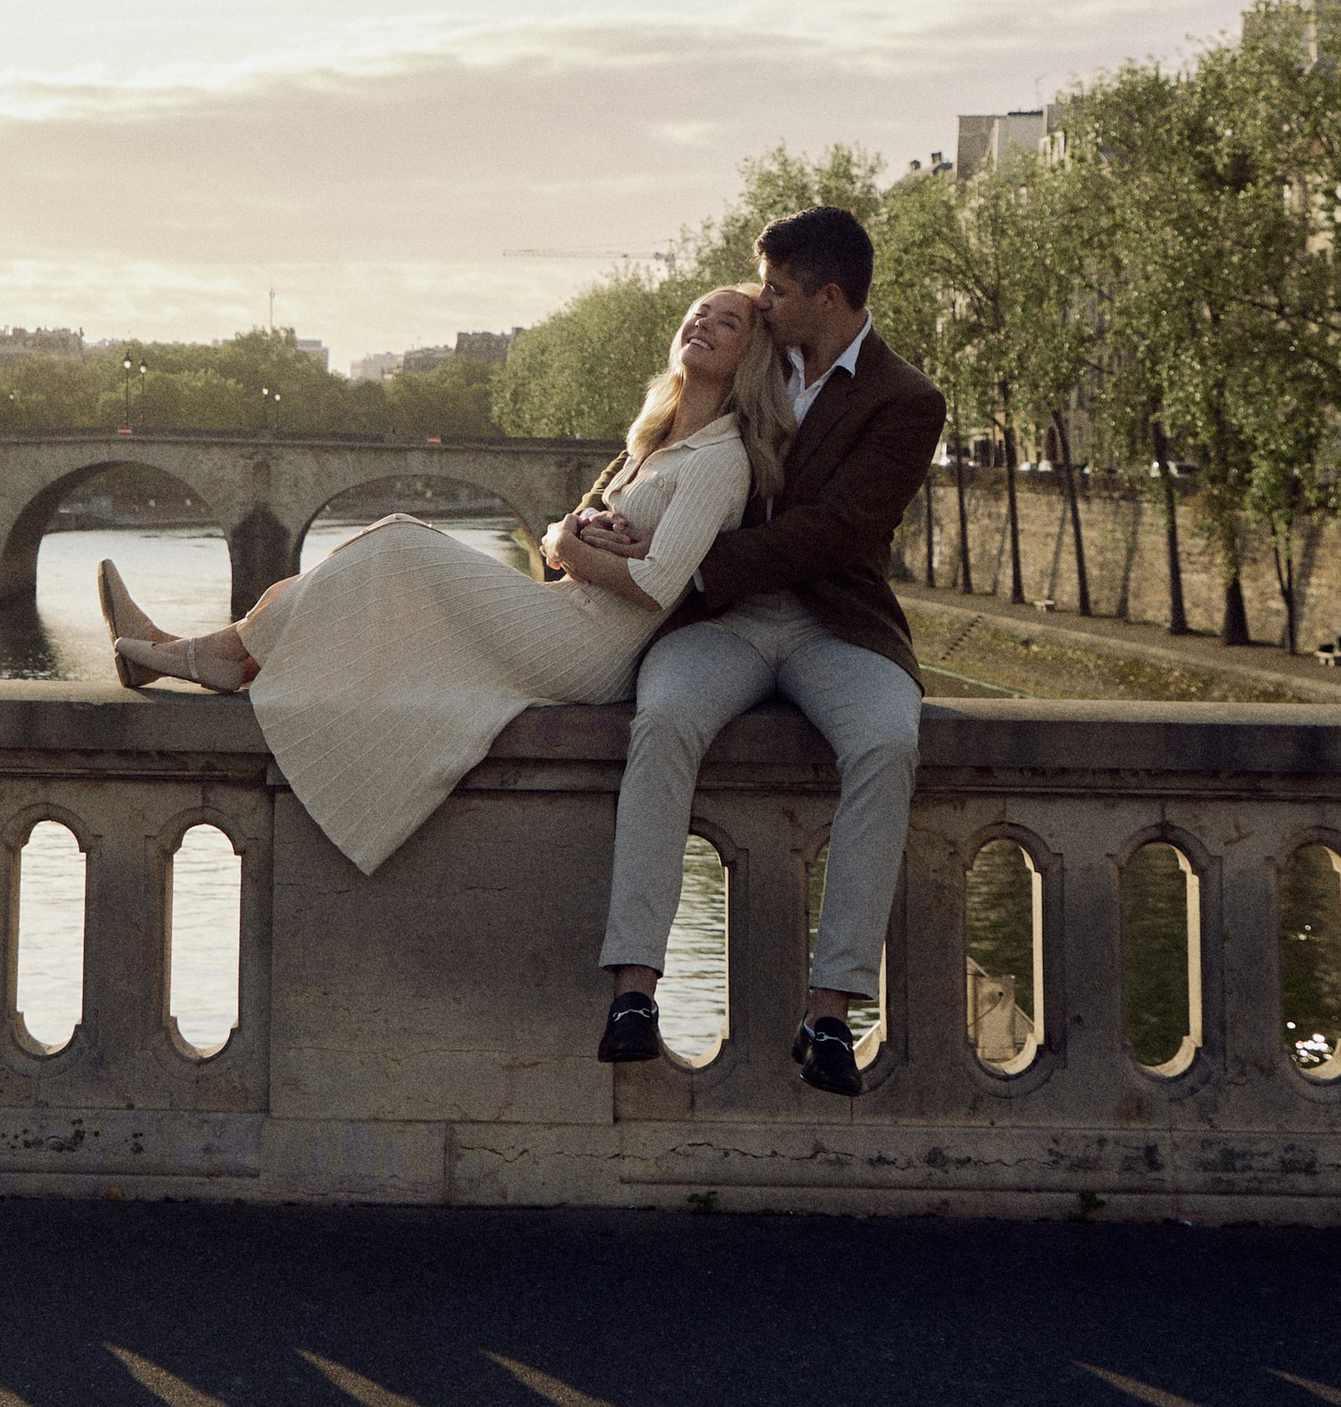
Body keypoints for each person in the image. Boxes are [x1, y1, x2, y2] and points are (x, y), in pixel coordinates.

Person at [97, 289, 792, 880]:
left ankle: (208, 655)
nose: (701, 324)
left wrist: (576, 551)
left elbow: (662, 584)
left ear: (749, 355)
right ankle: (213, 651)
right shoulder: (654, 440)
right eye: (696, 313)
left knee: (397, 540)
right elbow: (569, 541)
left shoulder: (721, 458)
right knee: (374, 570)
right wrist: (564, 536)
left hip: (593, 647)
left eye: (725, 321)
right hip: (566, 611)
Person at [583, 205, 944, 1098]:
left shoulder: (908, 401)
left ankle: (831, 1009)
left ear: (828, 296)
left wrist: (688, 568)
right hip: (721, 629)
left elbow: (840, 530)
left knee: (888, 744)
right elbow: (663, 435)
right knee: (663, 719)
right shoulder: (750, 352)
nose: (762, 301)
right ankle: (635, 990)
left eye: (779, 291)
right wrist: (595, 514)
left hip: (834, 624)